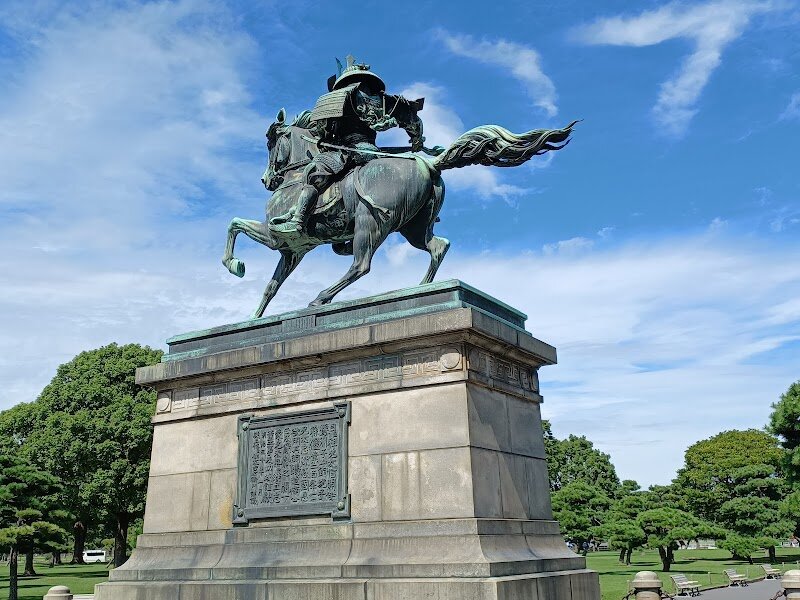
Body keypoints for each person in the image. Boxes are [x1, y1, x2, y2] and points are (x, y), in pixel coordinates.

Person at [269, 56, 426, 236]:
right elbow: (414, 120)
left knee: (313, 173)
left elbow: (321, 129)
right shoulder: (386, 101)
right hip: (371, 152)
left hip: (344, 152)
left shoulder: (334, 99)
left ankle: (297, 221)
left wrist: (323, 137)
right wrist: (417, 141)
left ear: (341, 83)